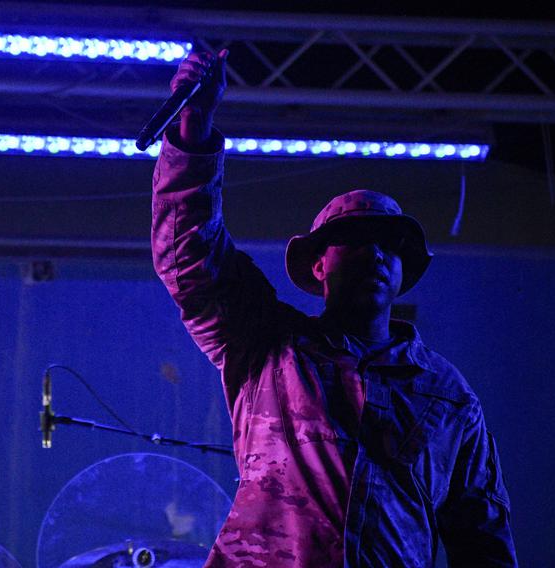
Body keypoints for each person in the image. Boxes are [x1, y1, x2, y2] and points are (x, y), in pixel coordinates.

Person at [151, 50, 517, 567]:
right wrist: (193, 131)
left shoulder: (447, 397)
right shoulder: (265, 347)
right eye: (353, 239)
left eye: (389, 244)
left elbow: (483, 537)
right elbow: (188, 255)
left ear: (404, 271)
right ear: (317, 265)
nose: (373, 253)